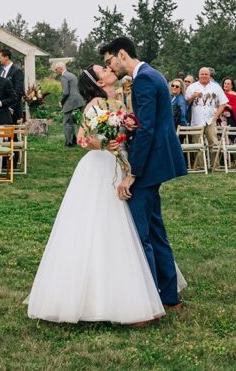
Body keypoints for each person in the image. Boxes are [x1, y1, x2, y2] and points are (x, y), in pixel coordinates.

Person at [26, 59, 187, 325]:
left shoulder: (121, 103)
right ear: (99, 83)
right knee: (103, 225)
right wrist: (102, 143)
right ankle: (111, 296)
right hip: (101, 166)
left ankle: (147, 290)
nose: (109, 68)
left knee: (129, 227)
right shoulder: (94, 105)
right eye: (104, 70)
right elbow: (82, 138)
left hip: (122, 164)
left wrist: (128, 129)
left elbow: (128, 129)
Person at [102, 36, 187, 315]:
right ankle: (169, 296)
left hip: (150, 164)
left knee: (141, 236)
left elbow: (148, 128)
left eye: (110, 61)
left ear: (122, 54)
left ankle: (148, 301)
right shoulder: (152, 75)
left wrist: (132, 174)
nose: (110, 67)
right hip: (158, 161)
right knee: (155, 229)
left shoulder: (144, 80)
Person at [185, 67, 228, 152]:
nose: (204, 76)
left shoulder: (216, 87)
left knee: (214, 144)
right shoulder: (192, 87)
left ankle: (215, 165)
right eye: (202, 74)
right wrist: (193, 97)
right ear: (198, 75)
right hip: (196, 120)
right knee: (197, 145)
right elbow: (185, 102)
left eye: (206, 74)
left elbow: (223, 103)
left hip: (210, 119)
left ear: (209, 75)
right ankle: (200, 165)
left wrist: (216, 116)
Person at [55, 61, 85, 148]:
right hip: (78, 100)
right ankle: (74, 140)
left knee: (66, 122)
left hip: (70, 100)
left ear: (60, 69)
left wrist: (61, 101)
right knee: (70, 121)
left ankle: (69, 143)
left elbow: (65, 92)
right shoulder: (72, 75)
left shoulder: (64, 76)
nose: (56, 71)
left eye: (56, 69)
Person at [0, 48, 25, 122]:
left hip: (12, 110)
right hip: (1, 109)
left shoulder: (17, 71)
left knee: (11, 133)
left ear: (6, 57)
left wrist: (11, 107)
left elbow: (18, 91)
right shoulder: (0, 71)